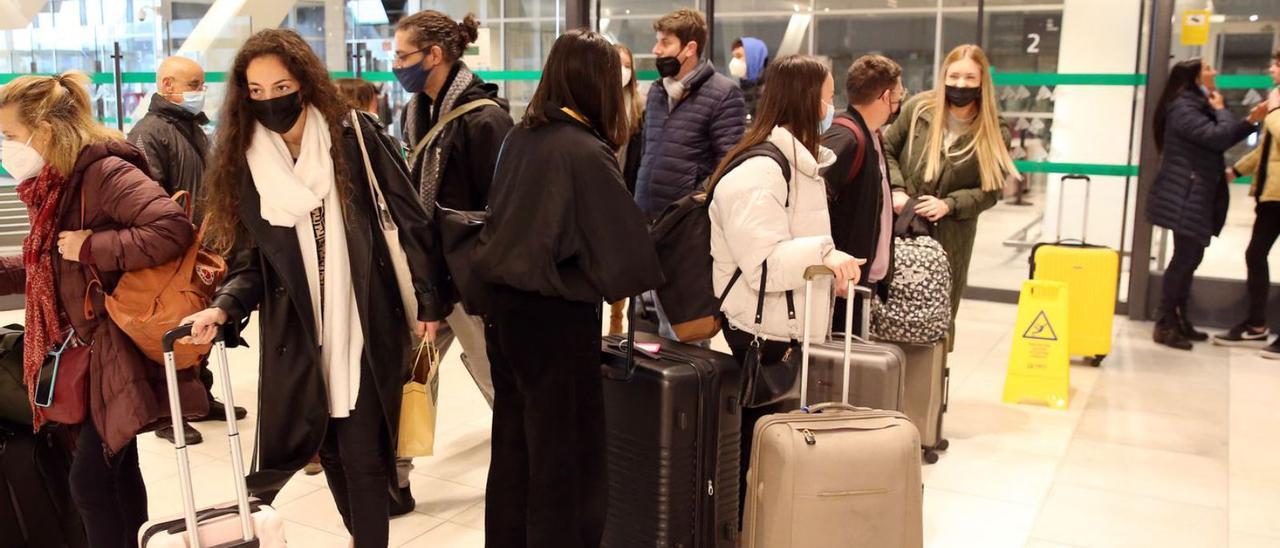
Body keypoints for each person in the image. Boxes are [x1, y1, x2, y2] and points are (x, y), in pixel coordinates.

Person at [179, 29, 443, 547]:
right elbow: (252, 265)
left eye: (280, 85)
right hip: (300, 336)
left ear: (303, 81)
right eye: (255, 91)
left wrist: (429, 300)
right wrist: (223, 308)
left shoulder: (355, 138)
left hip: (363, 322)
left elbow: (411, 222)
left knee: (366, 454)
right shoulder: (247, 163)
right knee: (332, 451)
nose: (269, 99)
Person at [472, 28, 663, 548]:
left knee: (514, 446)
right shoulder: (584, 150)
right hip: (557, 319)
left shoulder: (522, 137)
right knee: (567, 459)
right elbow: (625, 251)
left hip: (505, 312)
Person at [0, 72, 201, 548]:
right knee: (115, 470)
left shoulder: (104, 171)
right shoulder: (54, 184)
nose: (5, 147)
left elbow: (173, 229)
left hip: (112, 347)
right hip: (84, 351)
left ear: (44, 129)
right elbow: (46, 262)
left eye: (9, 135)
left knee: (90, 481)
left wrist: (93, 246)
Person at [706, 54, 863, 519]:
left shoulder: (801, 165)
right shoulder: (760, 173)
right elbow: (765, 266)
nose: (831, 109)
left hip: (778, 331)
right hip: (750, 334)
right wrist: (823, 257)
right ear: (806, 101)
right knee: (742, 460)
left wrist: (824, 271)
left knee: (764, 460)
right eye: (828, 98)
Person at [392, 8, 513, 515]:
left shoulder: (486, 119)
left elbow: (502, 210)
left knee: (497, 379)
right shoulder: (414, 112)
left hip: (469, 281)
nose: (395, 65)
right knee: (412, 375)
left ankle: (520, 471)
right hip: (427, 274)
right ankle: (395, 479)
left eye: (402, 55)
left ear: (434, 55)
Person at [127, 55, 247, 447]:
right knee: (170, 329)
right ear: (166, 85)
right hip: (172, 252)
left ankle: (200, 398)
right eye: (193, 84)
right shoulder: (149, 132)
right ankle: (168, 412)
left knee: (202, 327)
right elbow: (147, 198)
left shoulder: (193, 128)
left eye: (201, 83)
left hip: (204, 248)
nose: (200, 91)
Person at [882, 44, 1017, 349]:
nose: (960, 84)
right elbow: (886, 149)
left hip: (951, 235)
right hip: (901, 226)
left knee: (938, 312)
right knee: (890, 301)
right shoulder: (919, 109)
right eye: (954, 76)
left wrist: (949, 204)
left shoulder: (994, 130)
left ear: (982, 81)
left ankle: (930, 383)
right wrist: (898, 189)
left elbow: (990, 190)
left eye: (970, 78)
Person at [636, 8, 746, 339]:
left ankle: (691, 390)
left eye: (665, 43)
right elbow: (647, 152)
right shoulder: (656, 92)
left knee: (685, 328)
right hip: (650, 224)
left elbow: (727, 164)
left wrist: (690, 204)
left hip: (686, 232)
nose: (657, 51)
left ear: (690, 48)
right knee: (651, 330)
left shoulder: (723, 93)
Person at [1147, 58, 1265, 350]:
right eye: (1209, 69)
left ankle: (1179, 318)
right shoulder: (1184, 107)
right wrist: (1226, 112)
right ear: (1195, 77)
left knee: (1191, 257)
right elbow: (1217, 137)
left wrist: (1248, 121)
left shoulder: (1197, 102)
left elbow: (1221, 135)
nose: (1215, 72)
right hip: (1186, 192)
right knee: (1184, 258)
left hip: (1195, 190)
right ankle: (1165, 323)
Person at [822, 54, 905, 332]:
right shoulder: (846, 137)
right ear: (885, 96)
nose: (900, 101)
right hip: (841, 283)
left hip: (859, 281)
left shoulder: (873, 135)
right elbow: (812, 201)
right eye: (899, 94)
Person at [1214, 51, 1280, 354]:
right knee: (1255, 255)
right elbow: (1266, 149)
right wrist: (1236, 170)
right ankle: (1256, 325)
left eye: (1277, 65)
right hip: (1270, 195)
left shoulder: (1276, 106)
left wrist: (1274, 110)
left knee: (1256, 254)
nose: (1271, 69)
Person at [609, 42, 647, 335]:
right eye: (617, 63)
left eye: (627, 64)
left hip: (628, 189)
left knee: (620, 264)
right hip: (604, 189)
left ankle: (617, 322)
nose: (623, 69)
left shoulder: (639, 105)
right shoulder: (596, 103)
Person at [729, 37, 769, 120]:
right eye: (733, 57)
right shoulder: (740, 88)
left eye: (739, 56)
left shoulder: (770, 90)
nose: (734, 61)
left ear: (754, 57)